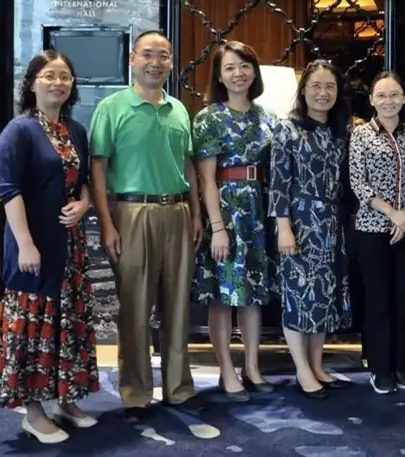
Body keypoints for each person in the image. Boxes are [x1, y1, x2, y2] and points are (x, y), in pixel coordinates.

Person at [89, 30, 203, 423]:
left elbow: (188, 165)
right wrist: (107, 224)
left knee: (178, 306)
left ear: (171, 62)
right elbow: (98, 168)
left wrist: (196, 214)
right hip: (132, 212)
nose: (156, 62)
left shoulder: (179, 109)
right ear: (132, 59)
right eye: (148, 54)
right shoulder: (112, 108)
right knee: (135, 309)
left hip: (177, 212)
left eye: (164, 55)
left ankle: (179, 388)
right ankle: (136, 394)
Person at [0, 50, 99, 443]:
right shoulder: (18, 131)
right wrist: (25, 244)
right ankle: (34, 413)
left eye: (65, 76)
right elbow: (9, 192)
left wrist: (84, 204)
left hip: (70, 247)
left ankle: (66, 399)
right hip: (32, 245)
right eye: (49, 75)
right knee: (34, 326)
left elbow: (83, 182)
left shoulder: (76, 130)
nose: (58, 83)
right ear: (32, 83)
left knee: (68, 322)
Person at [192, 42, 276, 401]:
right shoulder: (209, 118)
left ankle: (252, 366)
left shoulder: (268, 117)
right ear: (219, 75)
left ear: (254, 71)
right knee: (222, 295)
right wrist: (217, 227)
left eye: (244, 66)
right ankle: (226, 369)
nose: (238, 73)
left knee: (252, 294)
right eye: (229, 67)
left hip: (258, 210)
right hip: (225, 209)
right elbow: (206, 179)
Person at [269, 59, 353, 399]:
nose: (323, 93)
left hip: (332, 223)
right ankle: (302, 369)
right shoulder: (287, 129)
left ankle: (317, 365)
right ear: (303, 90)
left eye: (329, 86)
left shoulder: (339, 131)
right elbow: (278, 184)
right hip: (300, 222)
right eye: (316, 86)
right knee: (298, 295)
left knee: (324, 296)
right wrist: (283, 228)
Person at [348, 71, 405, 395]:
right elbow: (358, 183)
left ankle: (400, 366)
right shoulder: (361, 135)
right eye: (381, 95)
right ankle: (380, 369)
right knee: (378, 301)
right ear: (371, 100)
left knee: (402, 300)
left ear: (404, 98)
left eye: (394, 94)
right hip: (371, 229)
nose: (388, 101)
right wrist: (392, 213)